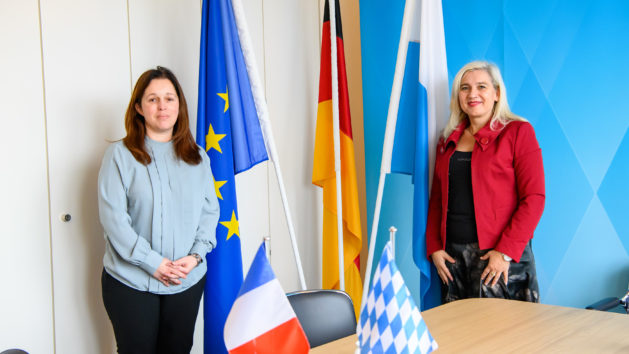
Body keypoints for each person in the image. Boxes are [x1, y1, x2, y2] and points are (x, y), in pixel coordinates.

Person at [98, 66, 219, 353]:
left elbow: (209, 212)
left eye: (169, 98)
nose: (162, 106)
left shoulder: (198, 157)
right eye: (153, 99)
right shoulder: (120, 156)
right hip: (131, 283)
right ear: (139, 107)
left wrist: (196, 256)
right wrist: (153, 262)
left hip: (185, 281)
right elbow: (114, 220)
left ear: (180, 105)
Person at [426, 61, 545, 303]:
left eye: (481, 86)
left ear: (497, 93)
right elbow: (437, 199)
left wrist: (504, 253)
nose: (473, 94)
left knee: (507, 337)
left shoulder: (519, 132)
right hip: (452, 260)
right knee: (459, 335)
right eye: (465, 88)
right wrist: (435, 247)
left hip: (499, 258)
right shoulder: (446, 140)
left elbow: (534, 198)